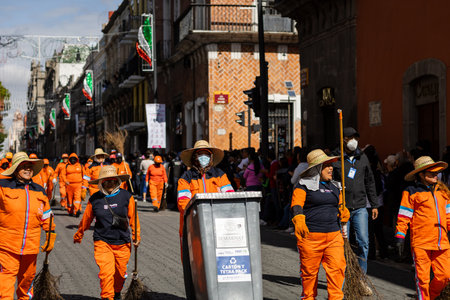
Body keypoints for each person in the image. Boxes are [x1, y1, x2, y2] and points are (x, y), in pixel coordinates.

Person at [74, 165, 140, 300]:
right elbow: (86, 219)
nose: (110, 183)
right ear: (101, 182)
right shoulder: (95, 199)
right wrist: (79, 233)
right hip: (102, 241)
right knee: (106, 273)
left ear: (117, 181)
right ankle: (107, 296)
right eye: (106, 181)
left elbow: (134, 218)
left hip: (123, 242)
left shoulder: (126, 196)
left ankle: (116, 292)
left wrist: (136, 236)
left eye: (112, 180)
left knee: (120, 274)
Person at [291, 149, 349, 299]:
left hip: (334, 236)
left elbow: (341, 206)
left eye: (331, 165)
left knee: (337, 270)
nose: (331, 168)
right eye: (327, 165)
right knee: (309, 274)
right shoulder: (302, 185)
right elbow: (297, 205)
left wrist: (344, 213)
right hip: (310, 237)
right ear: (317, 168)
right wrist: (299, 219)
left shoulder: (336, 186)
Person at [0, 152, 56, 300]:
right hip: (7, 246)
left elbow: (47, 216)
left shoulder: (39, 190)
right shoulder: (3, 186)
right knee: (5, 287)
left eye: (30, 166)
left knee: (26, 286)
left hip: (31, 247)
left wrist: (51, 234)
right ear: (16, 168)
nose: (27, 169)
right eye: (23, 166)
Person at [395, 156, 450, 300]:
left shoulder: (443, 192)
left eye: (436, 173)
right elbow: (404, 216)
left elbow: (449, 215)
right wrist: (400, 237)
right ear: (421, 174)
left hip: (442, 242)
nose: (435, 175)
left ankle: (430, 297)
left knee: (445, 276)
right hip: (421, 243)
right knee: (422, 279)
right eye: (431, 173)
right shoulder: (411, 191)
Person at [332, 127, 379, 279]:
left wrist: (374, 204)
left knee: (363, 242)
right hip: (342, 208)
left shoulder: (362, 157)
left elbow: (370, 181)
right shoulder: (335, 158)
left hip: (360, 207)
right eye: (349, 137)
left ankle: (361, 278)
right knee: (341, 244)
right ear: (342, 139)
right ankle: (344, 277)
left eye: (355, 137)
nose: (353, 140)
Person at [177, 140, 234, 244]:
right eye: (200, 154)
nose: (204, 157)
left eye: (206, 154)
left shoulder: (220, 175)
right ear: (195, 157)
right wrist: (198, 217)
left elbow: (230, 196)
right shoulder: (186, 178)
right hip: (193, 225)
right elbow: (183, 203)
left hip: (217, 224)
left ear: (211, 157)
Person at [61, 153, 85, 217]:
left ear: (77, 159)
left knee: (77, 198)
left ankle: (77, 210)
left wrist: (84, 184)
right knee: (70, 199)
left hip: (78, 185)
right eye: (71, 159)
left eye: (74, 159)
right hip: (69, 185)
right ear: (69, 159)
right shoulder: (66, 166)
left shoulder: (80, 166)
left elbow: (85, 176)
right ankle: (70, 211)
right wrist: (65, 181)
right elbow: (63, 174)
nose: (73, 160)